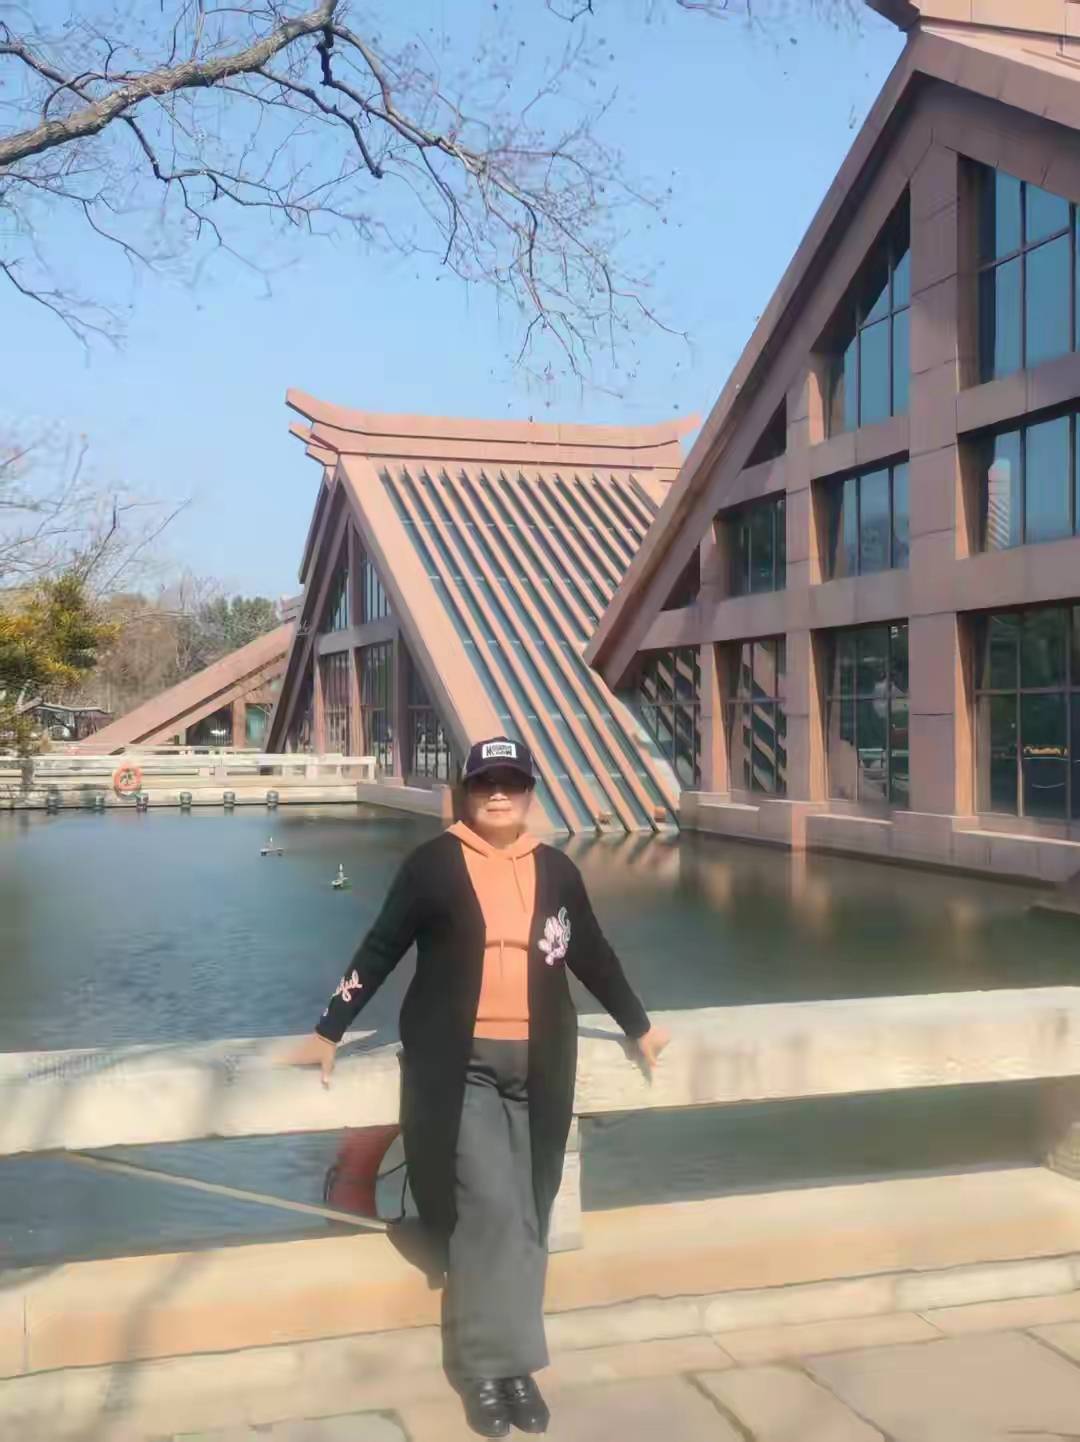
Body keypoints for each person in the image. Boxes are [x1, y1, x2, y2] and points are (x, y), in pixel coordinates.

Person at [286, 736, 669, 1437]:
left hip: (542, 1062)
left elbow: (591, 953)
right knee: (488, 1204)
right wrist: (329, 1027)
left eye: (511, 783)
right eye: (485, 782)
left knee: (528, 1207)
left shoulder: (555, 870)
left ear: (528, 793)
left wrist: (638, 1025)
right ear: (464, 792)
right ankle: (486, 1371)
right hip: (458, 1063)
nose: (498, 794)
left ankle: (515, 1367)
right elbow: (381, 945)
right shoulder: (433, 865)